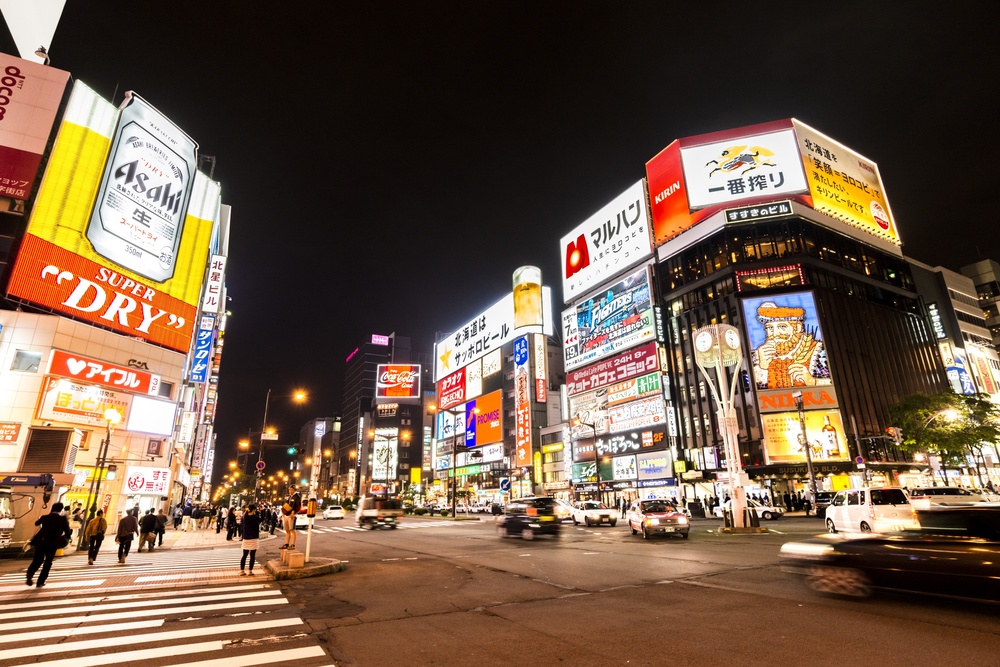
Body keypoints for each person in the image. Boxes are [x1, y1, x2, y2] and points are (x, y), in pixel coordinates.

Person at [750, 300, 831, 389]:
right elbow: (749, 391)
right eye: (770, 328)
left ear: (797, 328)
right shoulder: (757, 356)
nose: (775, 333)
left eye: (782, 327)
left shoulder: (818, 350)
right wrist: (762, 368)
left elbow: (836, 381)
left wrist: (812, 381)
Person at [25, 502, 72, 588]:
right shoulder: (62, 519)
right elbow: (67, 531)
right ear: (61, 509)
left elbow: (37, 523)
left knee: (37, 560)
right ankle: (40, 581)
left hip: (41, 542)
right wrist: (68, 538)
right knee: (48, 563)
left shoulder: (45, 517)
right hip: (53, 543)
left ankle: (30, 575)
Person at [240, 504, 261, 576]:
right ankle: (250, 571)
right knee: (252, 556)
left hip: (246, 538)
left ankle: (242, 571)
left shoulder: (244, 517)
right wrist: (261, 511)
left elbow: (241, 527)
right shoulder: (255, 517)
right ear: (254, 510)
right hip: (254, 538)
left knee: (244, 555)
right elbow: (262, 520)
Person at [280, 485, 301, 549]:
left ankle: (293, 544)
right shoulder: (290, 497)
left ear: (295, 490)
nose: (290, 491)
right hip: (287, 515)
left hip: (292, 515)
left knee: (292, 530)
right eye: (289, 490)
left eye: (291, 490)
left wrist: (294, 512)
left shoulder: (297, 497)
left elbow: (298, 506)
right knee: (287, 530)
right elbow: (286, 505)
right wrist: (283, 513)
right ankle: (286, 544)